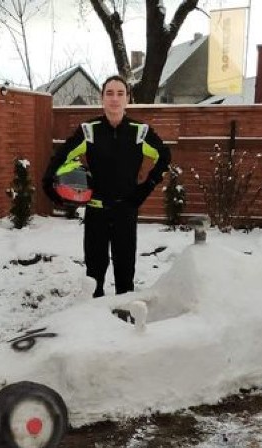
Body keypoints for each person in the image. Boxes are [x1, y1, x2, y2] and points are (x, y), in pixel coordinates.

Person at [42, 75, 171, 297]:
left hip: (126, 211)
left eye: (120, 93)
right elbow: (60, 157)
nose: (115, 99)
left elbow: (164, 156)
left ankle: (124, 319)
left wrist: (145, 188)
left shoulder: (140, 132)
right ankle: (96, 322)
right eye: (109, 93)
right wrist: (49, 185)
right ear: (102, 98)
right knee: (94, 275)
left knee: (124, 274)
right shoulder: (89, 131)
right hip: (96, 212)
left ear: (128, 99)